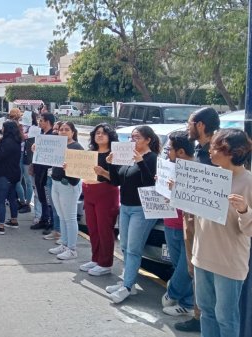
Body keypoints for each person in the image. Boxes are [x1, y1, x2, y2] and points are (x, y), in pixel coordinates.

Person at [193, 128, 252, 337]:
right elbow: (198, 211)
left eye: (216, 147)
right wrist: (177, 194)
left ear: (232, 152)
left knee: (226, 318)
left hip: (229, 262)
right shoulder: (209, 176)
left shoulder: (249, 182)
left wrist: (245, 210)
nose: (210, 150)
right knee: (207, 312)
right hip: (203, 256)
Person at [176, 106, 220, 333]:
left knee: (203, 271)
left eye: (190, 122)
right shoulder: (201, 151)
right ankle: (198, 314)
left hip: (207, 225)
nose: (187, 127)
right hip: (193, 219)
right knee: (194, 268)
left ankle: (205, 317)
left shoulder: (216, 152)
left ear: (200, 125)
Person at [105, 125, 160, 303]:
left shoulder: (152, 158)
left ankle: (127, 287)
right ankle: (128, 282)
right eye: (131, 137)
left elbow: (149, 184)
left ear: (147, 140)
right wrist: (111, 164)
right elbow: (116, 181)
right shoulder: (128, 157)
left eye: (136, 137)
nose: (132, 141)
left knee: (134, 249)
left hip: (141, 209)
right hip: (126, 207)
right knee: (124, 246)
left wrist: (140, 162)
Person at [161, 131, 195, 316]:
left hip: (187, 226)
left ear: (181, 151)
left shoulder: (197, 170)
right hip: (170, 222)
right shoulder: (169, 167)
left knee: (185, 267)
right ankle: (187, 304)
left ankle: (172, 292)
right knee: (177, 265)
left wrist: (177, 190)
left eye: (169, 149)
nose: (167, 153)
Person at [79, 123, 120, 276]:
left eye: (103, 133)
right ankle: (96, 258)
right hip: (89, 191)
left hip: (106, 192)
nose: (100, 135)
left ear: (110, 136)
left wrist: (103, 172)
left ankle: (105, 263)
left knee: (104, 229)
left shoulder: (114, 155)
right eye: (97, 133)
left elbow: (117, 179)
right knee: (93, 228)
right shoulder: (91, 153)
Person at [48, 122, 84, 260]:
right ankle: (64, 243)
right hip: (56, 182)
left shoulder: (76, 147)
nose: (63, 132)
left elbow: (78, 171)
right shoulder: (59, 145)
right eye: (61, 129)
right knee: (62, 216)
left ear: (73, 132)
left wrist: (68, 168)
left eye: (67, 130)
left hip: (68, 185)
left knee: (69, 217)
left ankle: (72, 248)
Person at [30, 113, 55, 231]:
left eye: (42, 121)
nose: (39, 123)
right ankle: (44, 219)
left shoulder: (53, 136)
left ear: (48, 122)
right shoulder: (41, 135)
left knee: (47, 197)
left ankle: (50, 221)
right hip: (39, 169)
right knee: (41, 196)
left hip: (47, 171)